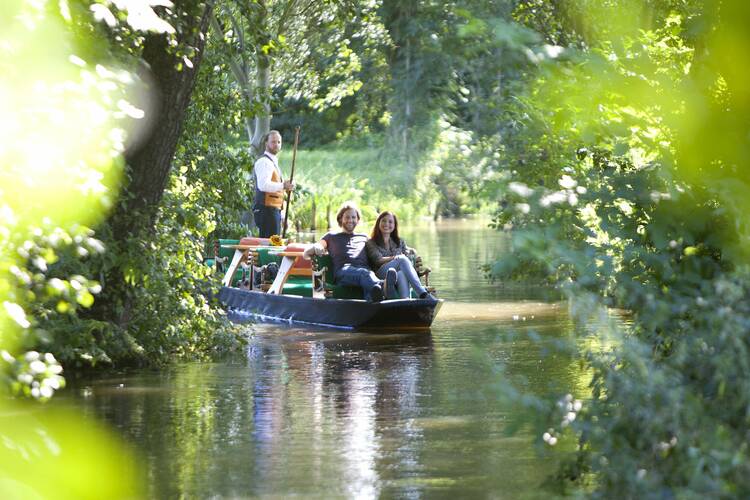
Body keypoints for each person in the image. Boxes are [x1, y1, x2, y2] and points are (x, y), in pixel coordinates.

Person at [303, 202, 389, 302]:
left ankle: (375, 307)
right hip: (343, 273)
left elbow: (379, 253)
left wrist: (404, 250)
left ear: (357, 219)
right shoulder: (331, 236)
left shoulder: (364, 237)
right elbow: (306, 254)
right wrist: (316, 246)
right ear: (340, 218)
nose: (350, 220)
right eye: (347, 217)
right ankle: (384, 286)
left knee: (369, 283)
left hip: (365, 272)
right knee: (364, 274)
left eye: (353, 217)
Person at [365, 211, 433, 300]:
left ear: (394, 225)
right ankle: (422, 293)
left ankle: (405, 300)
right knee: (401, 259)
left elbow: (408, 253)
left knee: (401, 273)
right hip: (380, 275)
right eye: (384, 221)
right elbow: (378, 260)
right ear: (379, 223)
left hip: (397, 274)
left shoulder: (399, 241)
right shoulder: (371, 242)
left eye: (390, 222)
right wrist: (395, 258)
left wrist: (411, 253)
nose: (386, 224)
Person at [252, 130, 295, 237]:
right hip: (266, 210)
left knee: (274, 244)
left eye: (279, 142)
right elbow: (263, 185)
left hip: (273, 211)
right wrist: (283, 185)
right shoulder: (264, 162)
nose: (276, 145)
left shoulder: (273, 163)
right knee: (270, 246)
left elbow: (278, 193)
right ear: (266, 143)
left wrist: (283, 216)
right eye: (273, 142)